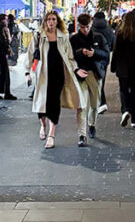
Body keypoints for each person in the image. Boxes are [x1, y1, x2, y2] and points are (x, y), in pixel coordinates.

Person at [32, 11, 91, 148]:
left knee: (54, 105)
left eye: (53, 19)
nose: (51, 22)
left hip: (59, 75)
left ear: (57, 21)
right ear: (45, 21)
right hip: (43, 75)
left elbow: (70, 57)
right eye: (48, 19)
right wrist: (27, 72)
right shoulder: (40, 35)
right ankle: (43, 124)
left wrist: (76, 69)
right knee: (41, 106)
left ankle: (51, 135)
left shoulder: (63, 37)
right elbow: (31, 53)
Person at [70, 13, 108, 138]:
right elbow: (70, 57)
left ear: (91, 24)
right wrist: (81, 52)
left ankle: (92, 124)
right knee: (82, 105)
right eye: (82, 27)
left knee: (94, 104)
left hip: (95, 73)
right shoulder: (74, 39)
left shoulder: (99, 37)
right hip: (80, 74)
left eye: (86, 27)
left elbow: (106, 55)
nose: (85, 30)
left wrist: (94, 53)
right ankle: (82, 134)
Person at [111, 10, 135, 128]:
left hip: (123, 68)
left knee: (123, 90)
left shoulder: (120, 33)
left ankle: (126, 110)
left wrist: (113, 66)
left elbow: (116, 51)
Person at [91, 10, 115, 114]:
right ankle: (100, 102)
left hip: (93, 57)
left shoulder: (91, 29)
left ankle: (101, 103)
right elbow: (114, 44)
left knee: (95, 80)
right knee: (101, 79)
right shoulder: (109, 30)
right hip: (105, 57)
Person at [0, 14, 16, 100]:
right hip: (0, 54)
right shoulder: (0, 30)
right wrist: (7, 49)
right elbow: (3, 42)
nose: (6, 21)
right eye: (5, 19)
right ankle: (6, 93)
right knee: (5, 74)